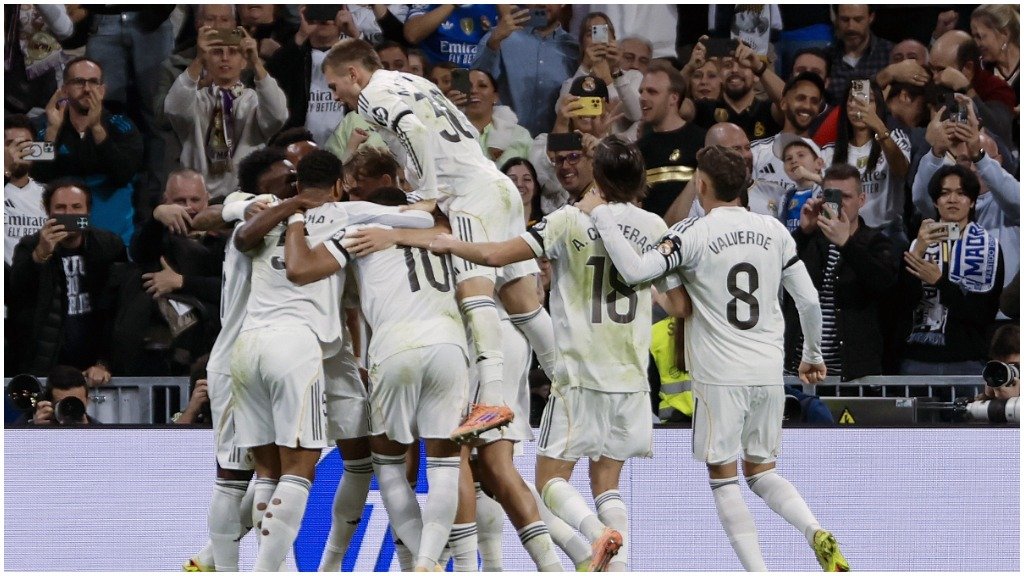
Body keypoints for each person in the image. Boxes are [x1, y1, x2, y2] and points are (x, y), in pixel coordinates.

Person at [578, 144, 849, 572]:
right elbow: (809, 300)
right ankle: (814, 529)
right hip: (767, 371)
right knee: (762, 472)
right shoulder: (775, 230)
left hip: (720, 375)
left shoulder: (691, 233)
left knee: (724, 480)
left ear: (700, 184)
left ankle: (758, 571)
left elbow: (634, 272)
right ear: (746, 186)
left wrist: (603, 218)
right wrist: (811, 355)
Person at [430, 137, 691, 572]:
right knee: (607, 484)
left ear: (599, 176)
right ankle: (618, 567)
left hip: (579, 376)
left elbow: (496, 255)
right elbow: (680, 307)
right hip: (631, 379)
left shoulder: (567, 221)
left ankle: (593, 536)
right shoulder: (654, 228)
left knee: (549, 480)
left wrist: (447, 244)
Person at [322, 38, 559, 443]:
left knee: (474, 292)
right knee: (522, 300)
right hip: (493, 182)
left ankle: (493, 399)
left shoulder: (372, 94)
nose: (335, 94)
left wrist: (430, 188)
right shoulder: (416, 83)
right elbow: (457, 126)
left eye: (334, 85)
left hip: (468, 193)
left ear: (353, 74)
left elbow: (412, 129)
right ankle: (568, 384)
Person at [229, 150, 434, 571]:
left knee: (268, 471)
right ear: (339, 184)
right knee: (300, 469)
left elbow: (234, 230)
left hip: (249, 346)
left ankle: (228, 558)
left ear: (295, 183)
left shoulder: (264, 209)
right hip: (299, 347)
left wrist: (284, 207)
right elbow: (421, 221)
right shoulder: (347, 213)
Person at [281, 185, 467, 571]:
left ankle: (420, 560)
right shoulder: (444, 236)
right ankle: (431, 559)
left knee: (389, 469)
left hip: (394, 348)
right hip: (450, 345)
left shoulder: (360, 235)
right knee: (445, 467)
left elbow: (314, 278)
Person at [785, 163, 899, 381]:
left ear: (861, 200)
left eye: (845, 197)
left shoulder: (877, 242)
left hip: (853, 374)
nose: (839, 204)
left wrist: (847, 243)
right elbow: (777, 271)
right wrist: (803, 232)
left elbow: (884, 286)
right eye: (832, 197)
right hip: (802, 371)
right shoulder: (809, 241)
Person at [8, 179, 126, 384]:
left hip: (94, 358)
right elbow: (17, 295)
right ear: (48, 212)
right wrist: (41, 255)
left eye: (76, 207)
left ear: (88, 212)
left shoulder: (109, 246)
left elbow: (118, 309)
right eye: (61, 208)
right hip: (46, 362)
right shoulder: (30, 246)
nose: (69, 214)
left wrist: (104, 362)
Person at [901, 164, 1004, 376]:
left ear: (973, 201)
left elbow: (982, 314)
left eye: (961, 193)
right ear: (935, 202)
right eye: (945, 193)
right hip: (918, 359)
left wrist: (941, 283)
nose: (952, 199)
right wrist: (919, 250)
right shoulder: (916, 245)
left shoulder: (988, 248)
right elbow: (900, 304)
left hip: (967, 360)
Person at [164, 22, 288, 197]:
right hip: (198, 197)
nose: (225, 58)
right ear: (207, 60)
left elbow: (277, 116)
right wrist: (198, 59)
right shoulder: (196, 100)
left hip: (245, 196)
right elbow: (173, 109)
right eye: (217, 52)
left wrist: (256, 63)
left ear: (243, 61)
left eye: (233, 52)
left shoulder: (254, 101)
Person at [30, 57, 144, 247]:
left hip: (109, 218)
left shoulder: (122, 126)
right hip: (60, 217)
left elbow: (124, 174)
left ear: (102, 89)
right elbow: (36, 177)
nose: (87, 89)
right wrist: (51, 132)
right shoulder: (41, 125)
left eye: (93, 82)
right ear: (64, 90)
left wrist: (97, 128)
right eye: (79, 82)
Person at [911, 99, 1018, 289]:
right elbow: (921, 197)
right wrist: (936, 151)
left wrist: (979, 154)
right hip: (953, 309)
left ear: (998, 161)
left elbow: (1016, 199)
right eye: (965, 161)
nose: (975, 169)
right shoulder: (949, 203)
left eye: (980, 158)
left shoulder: (1007, 203)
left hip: (1005, 315)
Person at [266, 5, 373, 145]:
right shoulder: (295, 54)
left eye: (330, 10)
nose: (324, 19)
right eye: (317, 9)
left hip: (348, 145)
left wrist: (355, 34)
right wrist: (302, 34)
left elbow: (377, 74)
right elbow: (269, 78)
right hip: (301, 147)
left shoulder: (353, 56)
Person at [472, 5, 579, 137]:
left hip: (554, 149)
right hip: (502, 147)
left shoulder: (575, 49)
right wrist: (493, 44)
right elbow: (473, 89)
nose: (542, 4)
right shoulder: (498, 37)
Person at [831, 79, 911, 243]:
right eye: (853, 99)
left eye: (869, 100)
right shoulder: (830, 151)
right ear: (845, 107)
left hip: (887, 232)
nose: (860, 105)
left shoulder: (895, 138)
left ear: (879, 106)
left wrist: (880, 129)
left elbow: (901, 169)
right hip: (845, 232)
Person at [665, 122, 788, 225]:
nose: (746, 155)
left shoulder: (776, 193)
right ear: (713, 155)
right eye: (736, 149)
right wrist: (699, 172)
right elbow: (673, 230)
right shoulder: (700, 200)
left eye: (747, 147)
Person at [635, 60, 706, 218]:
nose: (643, 97)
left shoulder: (701, 141)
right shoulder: (637, 150)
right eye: (641, 91)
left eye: (652, 92)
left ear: (673, 98)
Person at [750, 72, 833, 190]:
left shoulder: (828, 156)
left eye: (814, 101)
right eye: (801, 98)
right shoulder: (756, 152)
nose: (807, 106)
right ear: (783, 104)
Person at [461, 70, 533, 167]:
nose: (473, 90)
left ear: (495, 97)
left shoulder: (519, 135)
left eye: (482, 86)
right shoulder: (447, 133)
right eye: (467, 86)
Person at [826, 5, 893, 105]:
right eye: (845, 19)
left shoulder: (890, 53)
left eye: (858, 19)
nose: (851, 27)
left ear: (871, 17)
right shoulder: (826, 57)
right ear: (836, 19)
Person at [4, 114, 48, 267]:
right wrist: (6, 169)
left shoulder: (49, 194)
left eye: (26, 144)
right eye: (11, 144)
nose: (20, 150)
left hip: (36, 280)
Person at [404, 4, 499, 66]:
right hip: (439, 82)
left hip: (480, 82)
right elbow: (412, 35)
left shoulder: (495, 7)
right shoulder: (427, 5)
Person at [970, 5, 1020, 98]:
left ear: (1005, 34)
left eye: (979, 36)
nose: (976, 44)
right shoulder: (980, 69)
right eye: (974, 37)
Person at [28, 365, 97, 425]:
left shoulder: (101, 431)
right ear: (49, 402)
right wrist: (36, 430)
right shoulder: (28, 426)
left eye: (76, 403)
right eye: (63, 403)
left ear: (87, 401)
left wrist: (87, 430)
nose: (70, 409)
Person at [502, 158, 543, 226]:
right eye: (513, 179)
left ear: (535, 187)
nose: (520, 184)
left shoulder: (546, 228)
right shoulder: (490, 227)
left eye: (526, 179)